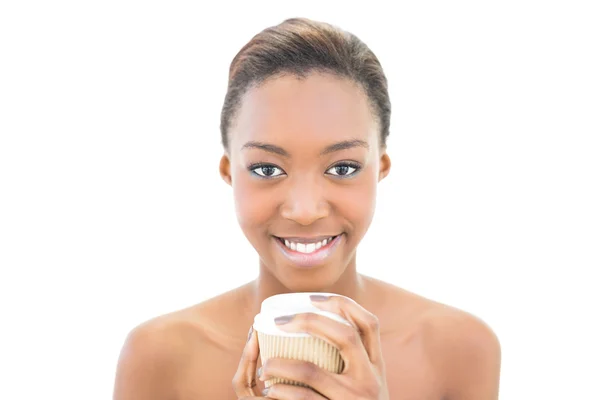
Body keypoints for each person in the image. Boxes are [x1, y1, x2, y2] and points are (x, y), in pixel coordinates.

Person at [113, 17, 501, 400]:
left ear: (380, 168)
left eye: (343, 168)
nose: (304, 210)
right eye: (267, 169)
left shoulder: (460, 350)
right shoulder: (160, 358)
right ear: (229, 171)